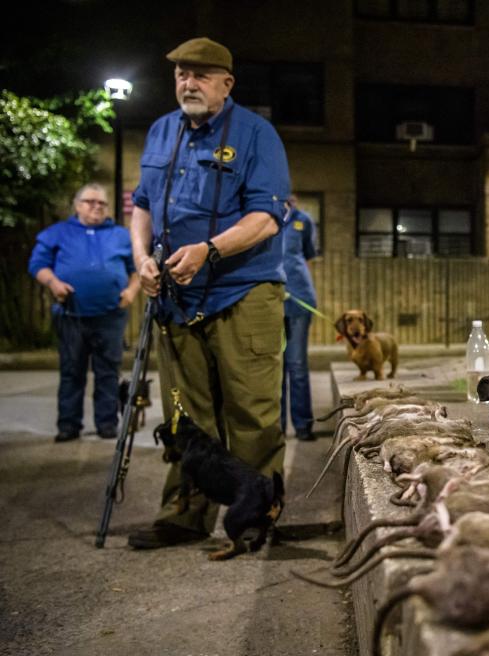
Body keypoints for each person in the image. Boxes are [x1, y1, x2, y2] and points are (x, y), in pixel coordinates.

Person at [126, 37, 291, 549]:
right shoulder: (160, 132)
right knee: (185, 414)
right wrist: (141, 259)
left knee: (251, 412)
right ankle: (184, 511)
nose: (188, 83)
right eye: (180, 74)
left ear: (226, 83)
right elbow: (142, 206)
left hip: (243, 291)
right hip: (176, 296)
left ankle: (254, 515)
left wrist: (209, 251)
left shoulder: (256, 134)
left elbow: (266, 218)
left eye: (200, 75)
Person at [28, 183, 139, 442]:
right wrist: (54, 283)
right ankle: (68, 425)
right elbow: (37, 264)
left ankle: (107, 423)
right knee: (71, 371)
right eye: (90, 201)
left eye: (102, 203)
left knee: (108, 371)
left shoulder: (121, 235)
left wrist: (132, 291)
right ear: (77, 205)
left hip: (110, 314)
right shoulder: (57, 233)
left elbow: (136, 268)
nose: (96, 207)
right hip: (71, 315)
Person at [281, 195, 319, 441]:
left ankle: (303, 425)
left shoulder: (302, 220)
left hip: (298, 300)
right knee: (274, 370)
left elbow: (307, 257)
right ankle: (277, 428)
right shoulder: (261, 217)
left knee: (297, 366)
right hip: (269, 304)